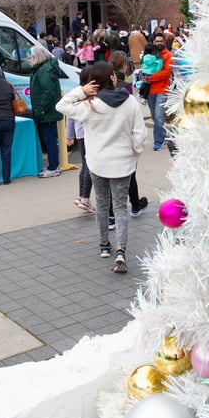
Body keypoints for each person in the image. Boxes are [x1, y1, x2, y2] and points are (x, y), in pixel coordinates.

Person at [56, 61, 146, 273]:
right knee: (121, 206)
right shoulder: (131, 101)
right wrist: (134, 152)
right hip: (123, 163)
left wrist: (81, 91)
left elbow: (61, 106)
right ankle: (121, 250)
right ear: (112, 78)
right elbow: (140, 135)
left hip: (97, 162)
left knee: (103, 204)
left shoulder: (90, 104)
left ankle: (104, 245)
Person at [110, 51, 149, 217]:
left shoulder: (102, 87)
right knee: (130, 173)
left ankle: (111, 214)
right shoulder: (125, 87)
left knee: (109, 177)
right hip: (124, 135)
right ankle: (134, 204)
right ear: (124, 66)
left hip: (108, 137)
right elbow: (132, 115)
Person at [27, 43, 63, 178]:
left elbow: (48, 92)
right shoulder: (44, 69)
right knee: (50, 139)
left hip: (46, 112)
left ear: (37, 57)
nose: (29, 60)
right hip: (47, 111)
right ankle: (53, 165)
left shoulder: (44, 71)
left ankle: (53, 167)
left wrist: (42, 110)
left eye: (30, 57)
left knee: (50, 140)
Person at [66, 65, 94, 213]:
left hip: (80, 134)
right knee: (89, 165)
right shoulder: (88, 94)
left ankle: (81, 195)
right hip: (88, 133)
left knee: (85, 164)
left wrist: (69, 135)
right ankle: (85, 198)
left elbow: (69, 116)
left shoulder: (75, 93)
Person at [145, 31, 173, 151]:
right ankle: (164, 135)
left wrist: (150, 77)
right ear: (153, 42)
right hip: (150, 91)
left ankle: (158, 141)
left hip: (162, 90)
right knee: (154, 116)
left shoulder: (168, 55)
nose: (159, 43)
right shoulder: (150, 53)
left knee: (159, 116)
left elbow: (166, 73)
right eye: (157, 41)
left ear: (165, 42)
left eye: (161, 41)